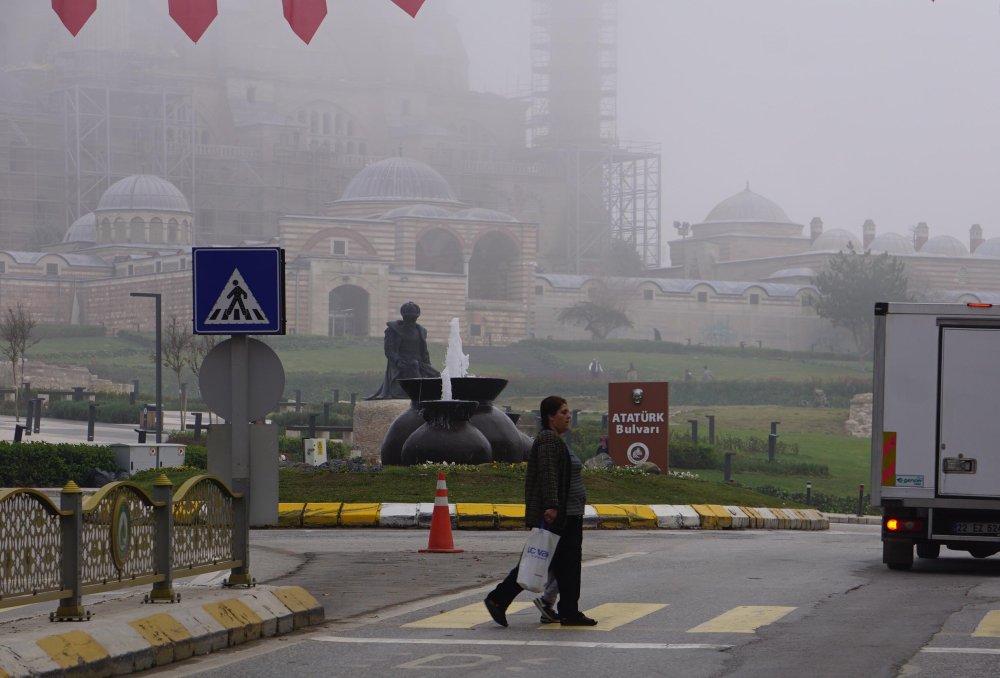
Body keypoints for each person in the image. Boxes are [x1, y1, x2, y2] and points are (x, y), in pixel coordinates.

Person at [484, 395, 597, 627]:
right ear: (550, 416)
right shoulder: (548, 440)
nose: (568, 416)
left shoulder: (555, 440)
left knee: (556, 565)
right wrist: (552, 506)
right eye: (563, 412)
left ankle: (565, 610)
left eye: (568, 412)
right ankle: (499, 599)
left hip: (569, 513)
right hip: (560, 515)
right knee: (548, 563)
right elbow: (548, 475)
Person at [366, 301, 440, 400]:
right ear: (404, 316)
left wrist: (428, 366)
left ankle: (431, 397)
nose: (411, 320)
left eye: (413, 317)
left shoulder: (421, 331)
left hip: (419, 362)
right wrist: (398, 360)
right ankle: (418, 394)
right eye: (409, 317)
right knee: (413, 366)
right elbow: (389, 350)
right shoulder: (393, 330)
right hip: (402, 361)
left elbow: (424, 352)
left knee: (435, 374)